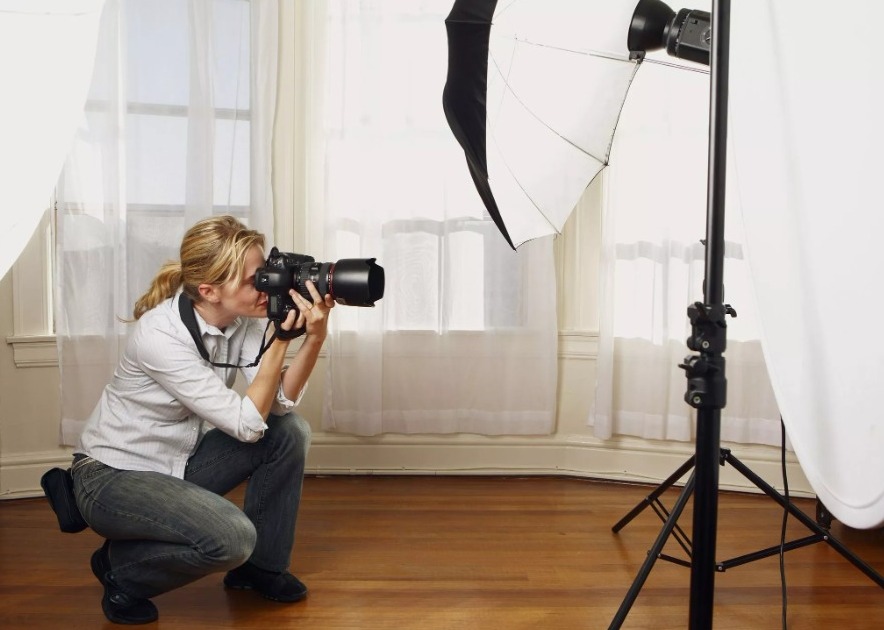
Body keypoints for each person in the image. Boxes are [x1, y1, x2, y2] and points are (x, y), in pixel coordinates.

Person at [70, 215, 334, 624]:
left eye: (265, 272)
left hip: (179, 464)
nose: (267, 285)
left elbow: (278, 406)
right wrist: (282, 340)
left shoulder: (241, 319)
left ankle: (261, 569)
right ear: (209, 291)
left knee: (288, 431)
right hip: (112, 477)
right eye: (253, 280)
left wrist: (314, 337)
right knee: (233, 538)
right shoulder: (160, 336)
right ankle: (121, 570)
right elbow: (247, 425)